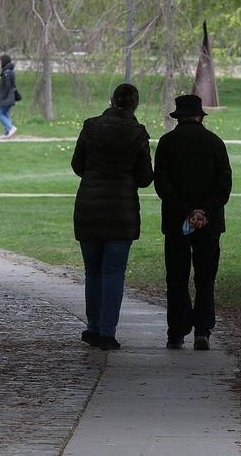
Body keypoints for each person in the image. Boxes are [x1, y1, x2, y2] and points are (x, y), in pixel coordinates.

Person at [71, 83, 154, 350]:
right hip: (121, 211)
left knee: (93, 272)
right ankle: (107, 332)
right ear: (134, 105)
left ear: (112, 100)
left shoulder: (90, 126)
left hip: (90, 208)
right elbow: (144, 178)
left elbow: (77, 165)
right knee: (113, 273)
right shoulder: (137, 134)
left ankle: (93, 327)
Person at [154, 94, 232, 351]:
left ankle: (176, 330)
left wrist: (187, 211)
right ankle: (203, 330)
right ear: (200, 116)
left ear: (179, 117)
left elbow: (163, 184)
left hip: (177, 220)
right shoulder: (215, 143)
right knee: (205, 278)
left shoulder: (167, 143)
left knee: (176, 277)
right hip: (209, 223)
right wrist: (203, 211)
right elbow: (223, 185)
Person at [0, 54, 18, 139]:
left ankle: (11, 128)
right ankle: (7, 133)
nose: (0, 63)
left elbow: (7, 86)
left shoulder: (6, 72)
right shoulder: (10, 71)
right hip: (10, 97)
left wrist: (2, 98)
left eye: (0, 61)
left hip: (6, 97)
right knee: (6, 114)